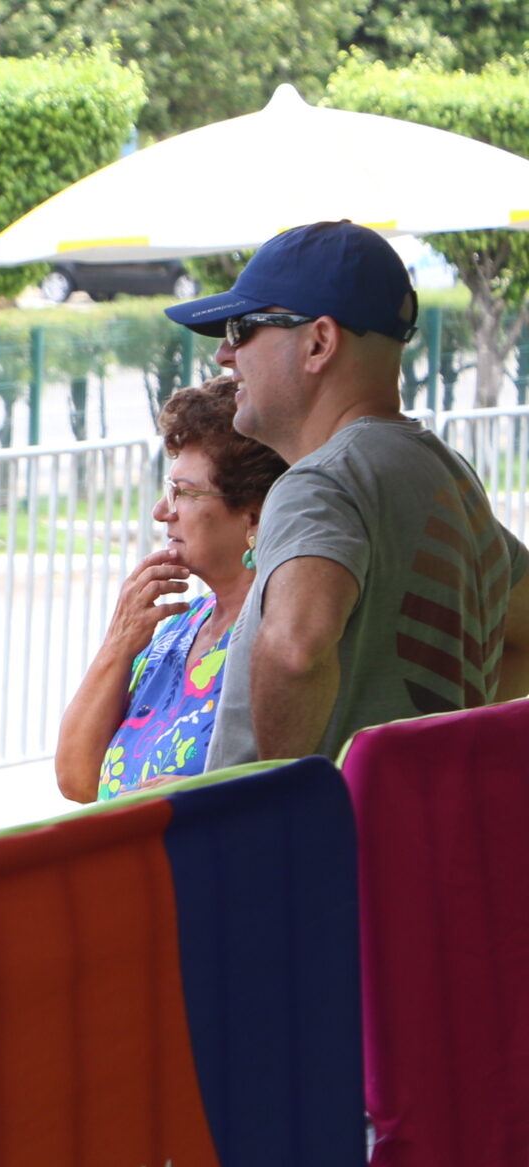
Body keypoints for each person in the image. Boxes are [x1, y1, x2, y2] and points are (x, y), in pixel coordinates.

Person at [163, 220, 529, 766]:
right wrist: (434, 754)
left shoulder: (320, 483)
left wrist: (283, 807)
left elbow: (294, 651)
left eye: (242, 329)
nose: (224, 355)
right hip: (411, 836)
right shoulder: (447, 476)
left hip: (316, 846)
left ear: (319, 342)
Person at [56, 375, 283, 801]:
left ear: (253, 516)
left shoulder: (279, 634)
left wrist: (211, 795)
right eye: (168, 489)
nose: (163, 512)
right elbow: (78, 778)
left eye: (184, 493)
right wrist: (119, 643)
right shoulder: (184, 625)